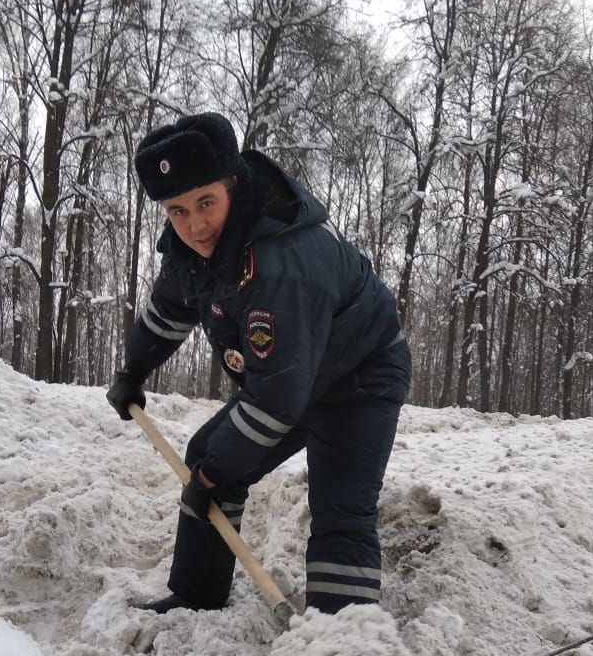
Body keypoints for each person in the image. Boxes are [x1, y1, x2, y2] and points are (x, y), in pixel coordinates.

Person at [107, 112, 412, 614]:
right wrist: (132, 371)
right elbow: (168, 312)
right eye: (177, 211)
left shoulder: (283, 261)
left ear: (232, 183)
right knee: (209, 455)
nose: (195, 225)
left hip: (360, 375)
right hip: (292, 375)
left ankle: (344, 642)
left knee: (340, 507)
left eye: (206, 203)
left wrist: (212, 476)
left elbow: (275, 400)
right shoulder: (192, 251)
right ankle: (195, 595)